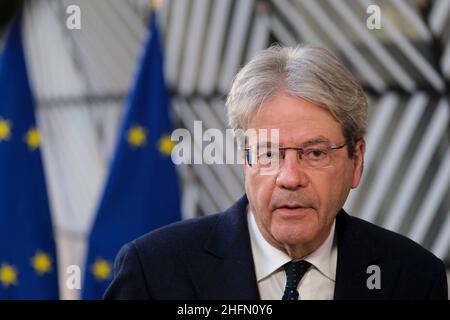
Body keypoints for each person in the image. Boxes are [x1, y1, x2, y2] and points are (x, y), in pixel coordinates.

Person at [104, 45, 448, 300]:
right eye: (268, 153)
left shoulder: (414, 278)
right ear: (245, 159)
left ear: (356, 161)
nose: (290, 177)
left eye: (315, 153)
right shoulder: (153, 271)